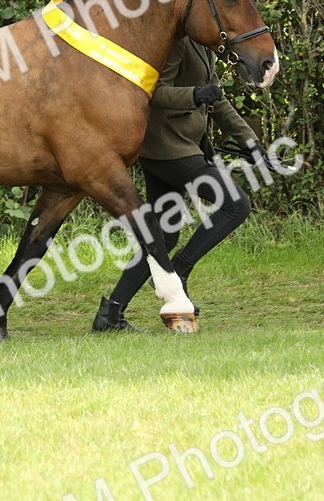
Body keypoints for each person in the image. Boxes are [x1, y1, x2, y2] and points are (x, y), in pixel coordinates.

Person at [92, 38, 261, 332]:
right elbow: (155, 92)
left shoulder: (206, 43)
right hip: (170, 149)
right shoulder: (178, 43)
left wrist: (252, 143)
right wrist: (195, 94)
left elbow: (217, 100)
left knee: (163, 236)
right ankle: (179, 270)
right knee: (236, 205)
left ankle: (111, 313)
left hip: (177, 148)